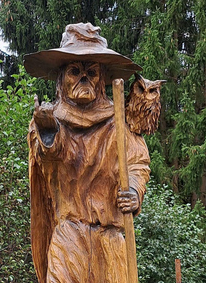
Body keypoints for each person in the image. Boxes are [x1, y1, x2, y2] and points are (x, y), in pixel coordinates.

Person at [24, 23, 150, 283]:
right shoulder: (49, 118)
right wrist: (48, 131)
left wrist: (134, 191)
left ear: (102, 78)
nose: (84, 79)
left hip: (110, 239)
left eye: (91, 72)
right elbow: (48, 160)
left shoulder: (119, 121)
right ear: (61, 78)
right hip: (68, 236)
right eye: (74, 71)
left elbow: (138, 163)